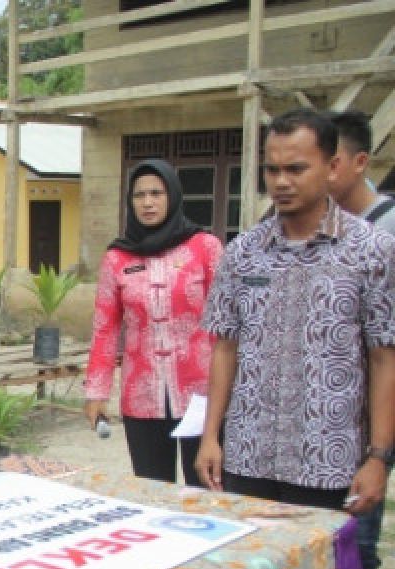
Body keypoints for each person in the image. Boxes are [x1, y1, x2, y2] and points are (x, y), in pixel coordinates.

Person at [196, 109, 395, 524]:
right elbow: (225, 347)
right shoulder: (241, 253)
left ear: (332, 166)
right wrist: (211, 436)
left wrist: (378, 457)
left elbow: (383, 358)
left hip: (328, 464)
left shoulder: (372, 251)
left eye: (296, 169)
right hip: (246, 457)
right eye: (272, 170)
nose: (282, 182)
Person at [83, 158, 223, 485]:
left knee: (206, 492)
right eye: (139, 195)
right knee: (151, 490)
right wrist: (96, 392)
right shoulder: (117, 258)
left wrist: (232, 390)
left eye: (156, 193)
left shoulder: (205, 248)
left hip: (201, 396)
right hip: (141, 398)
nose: (147, 202)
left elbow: (225, 327)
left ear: (172, 196)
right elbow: (105, 330)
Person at [328, 109, 395, 569]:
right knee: (338, 528)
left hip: (380, 398)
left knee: (361, 531)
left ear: (358, 162)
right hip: (336, 405)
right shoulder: (318, 227)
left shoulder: (388, 230)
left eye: (327, 163)